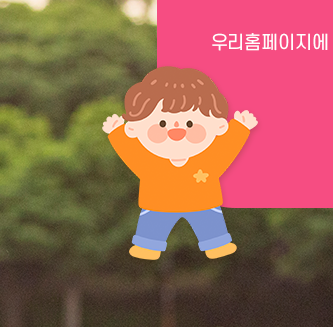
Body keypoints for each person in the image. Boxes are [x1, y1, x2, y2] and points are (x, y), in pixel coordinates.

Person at [101, 67, 258, 260]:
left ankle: (215, 242)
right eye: (162, 124)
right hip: (160, 203)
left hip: (200, 202)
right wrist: (117, 133)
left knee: (208, 222)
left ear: (218, 126)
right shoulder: (150, 162)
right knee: (153, 225)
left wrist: (239, 129)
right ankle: (148, 244)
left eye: (190, 123)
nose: (177, 131)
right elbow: (131, 153)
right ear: (135, 128)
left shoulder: (208, 159)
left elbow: (226, 149)